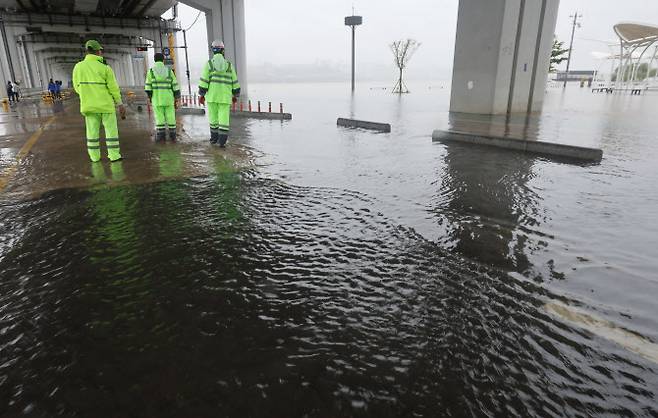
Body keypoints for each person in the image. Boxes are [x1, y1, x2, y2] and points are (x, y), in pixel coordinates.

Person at [72, 39, 126, 163]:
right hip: (106, 105)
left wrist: (87, 95)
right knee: (111, 131)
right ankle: (114, 156)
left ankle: (94, 157)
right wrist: (120, 104)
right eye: (101, 51)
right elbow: (113, 88)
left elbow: (76, 87)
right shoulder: (105, 68)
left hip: (88, 106)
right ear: (98, 51)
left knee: (92, 133)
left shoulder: (78, 67)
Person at [198, 39, 240, 147]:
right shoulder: (229, 66)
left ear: (213, 50)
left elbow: (204, 81)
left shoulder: (209, 65)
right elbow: (234, 82)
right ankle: (222, 142)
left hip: (212, 97)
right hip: (225, 97)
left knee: (213, 118)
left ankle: (213, 140)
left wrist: (201, 95)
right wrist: (235, 95)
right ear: (223, 50)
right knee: (224, 119)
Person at [144, 52, 180, 141]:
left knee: (159, 117)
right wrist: (176, 97)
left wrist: (150, 97)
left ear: (154, 60)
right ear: (163, 60)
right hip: (168, 99)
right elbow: (175, 85)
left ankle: (161, 136)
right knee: (171, 116)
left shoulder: (151, 72)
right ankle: (173, 136)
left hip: (157, 99)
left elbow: (148, 87)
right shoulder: (169, 71)